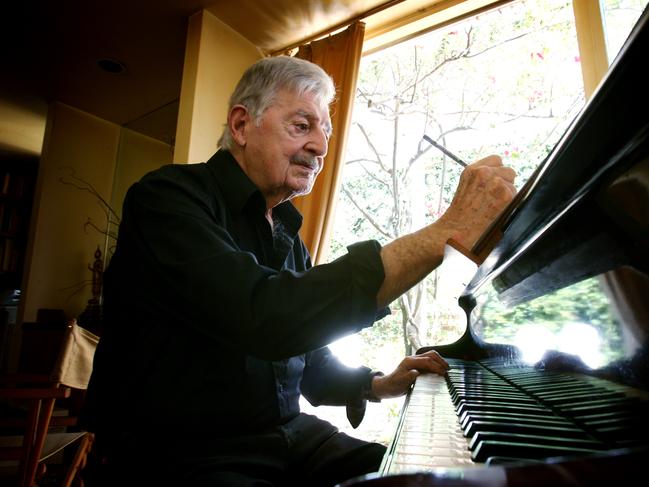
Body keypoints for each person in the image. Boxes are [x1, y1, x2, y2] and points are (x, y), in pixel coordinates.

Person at [82, 56, 516, 486]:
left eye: (324, 131)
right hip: (181, 452)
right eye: (302, 125)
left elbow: (306, 362)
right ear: (240, 125)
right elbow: (267, 317)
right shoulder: (166, 199)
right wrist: (446, 230)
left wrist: (377, 383)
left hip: (288, 437)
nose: (322, 147)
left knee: (427, 479)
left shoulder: (288, 235)